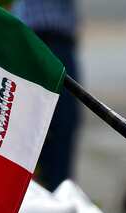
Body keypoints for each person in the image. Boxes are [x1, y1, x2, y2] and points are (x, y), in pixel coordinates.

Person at [15, 0, 80, 188]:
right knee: (53, 126)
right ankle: (51, 192)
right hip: (44, 38)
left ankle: (52, 191)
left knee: (57, 127)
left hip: (48, 38)